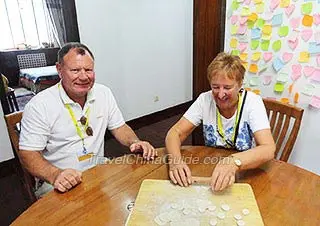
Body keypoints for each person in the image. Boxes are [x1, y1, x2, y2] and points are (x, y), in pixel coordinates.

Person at [19, 42, 157, 197]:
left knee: (137, 194)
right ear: (59, 70)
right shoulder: (39, 105)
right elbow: (28, 153)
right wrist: (55, 175)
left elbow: (119, 127)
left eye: (88, 70)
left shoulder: (103, 93)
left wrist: (134, 142)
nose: (83, 77)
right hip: (60, 180)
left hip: (99, 169)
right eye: (75, 70)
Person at [165, 52, 275, 192]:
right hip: (211, 168)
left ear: (240, 84)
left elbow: (268, 149)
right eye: (215, 87)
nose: (221, 94)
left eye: (227, 88)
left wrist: (233, 161)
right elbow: (174, 133)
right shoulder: (204, 100)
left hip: (245, 170)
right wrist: (175, 161)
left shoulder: (253, 103)